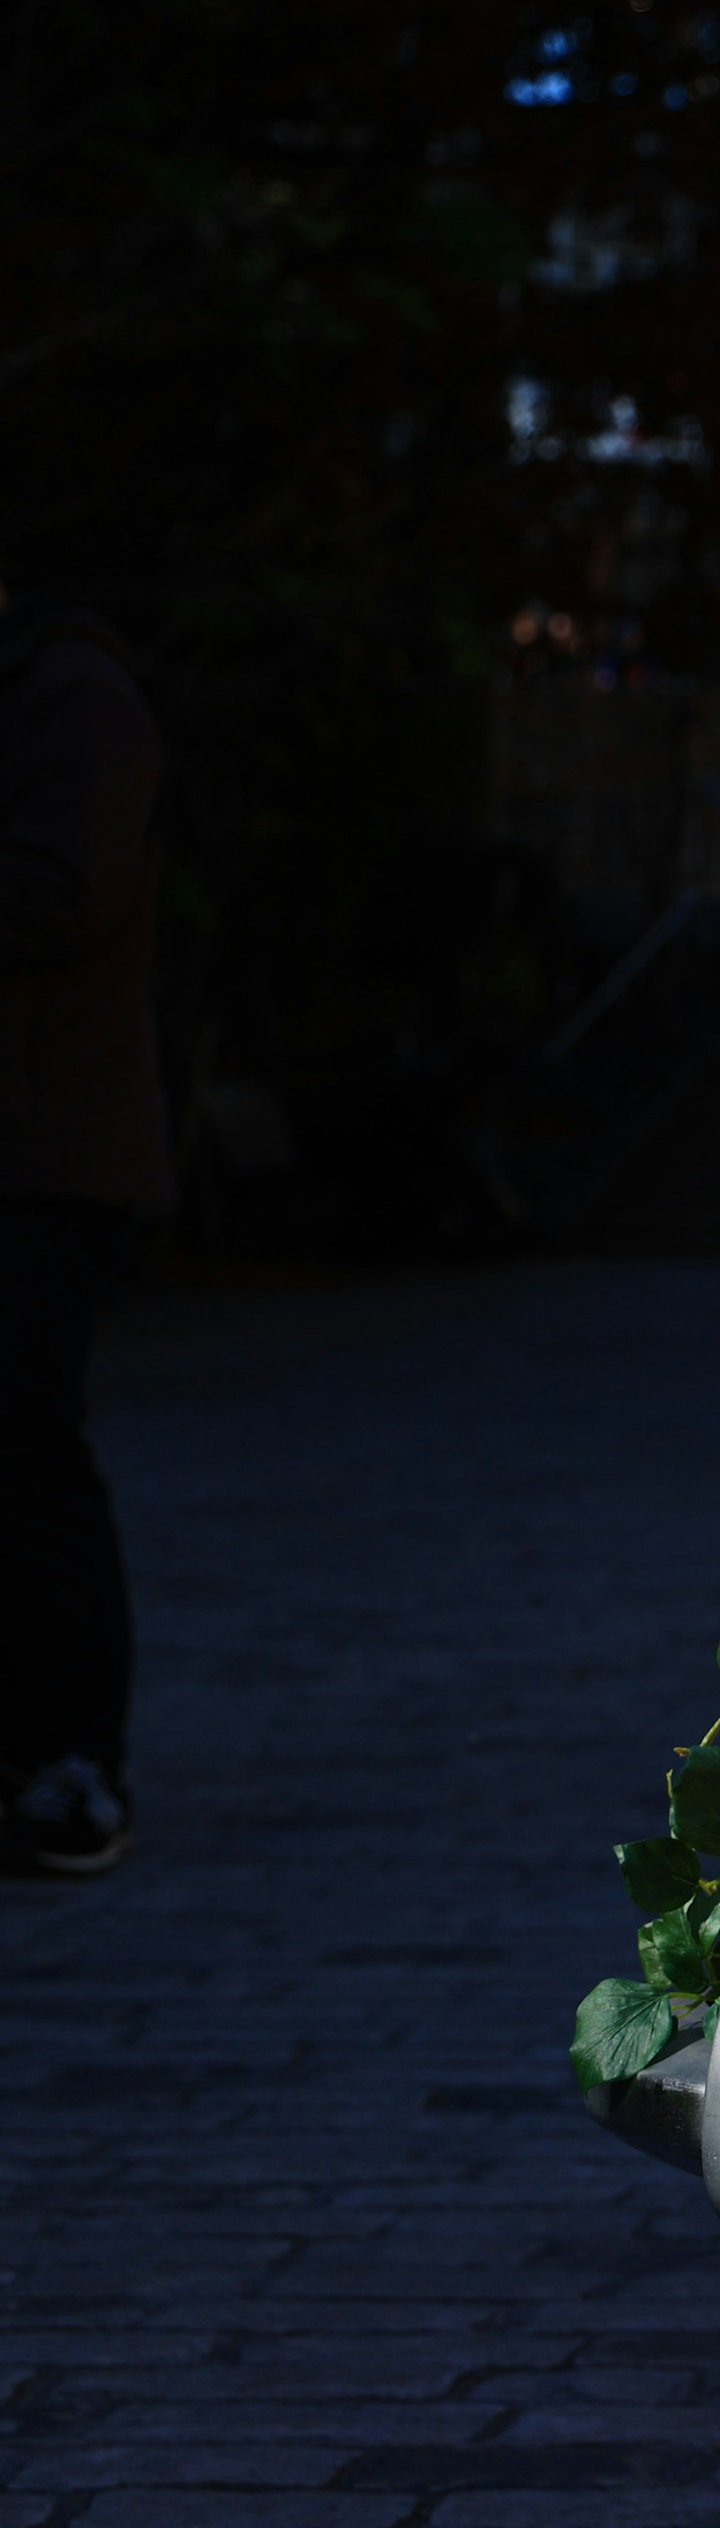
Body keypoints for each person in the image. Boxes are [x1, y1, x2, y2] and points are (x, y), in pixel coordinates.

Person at [0, 583, 168, 1873]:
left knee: (29, 1446)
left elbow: (63, 892)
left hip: (43, 1154)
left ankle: (72, 1755)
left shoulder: (73, 693)